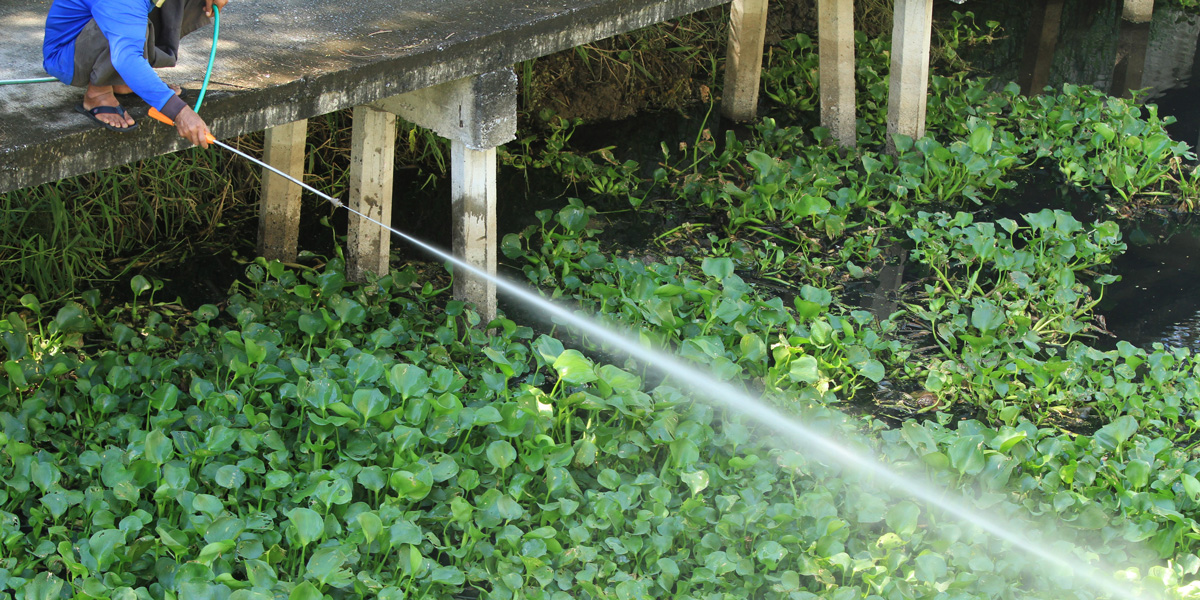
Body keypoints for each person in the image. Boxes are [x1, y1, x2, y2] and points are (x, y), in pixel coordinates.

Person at [42, 0, 229, 148]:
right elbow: (126, 58)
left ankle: (123, 80)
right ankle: (98, 93)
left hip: (119, 25)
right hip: (69, 55)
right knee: (122, 32)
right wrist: (180, 112)